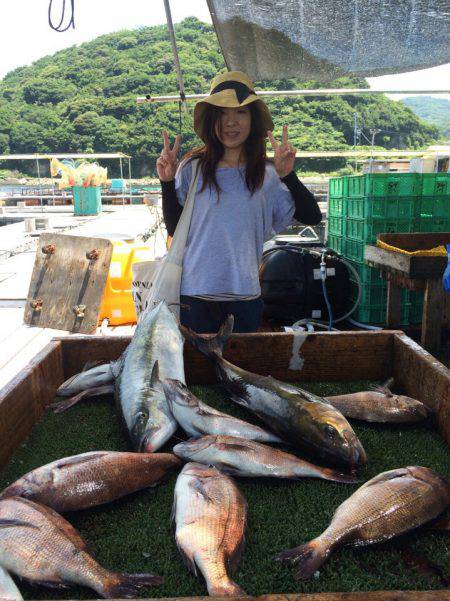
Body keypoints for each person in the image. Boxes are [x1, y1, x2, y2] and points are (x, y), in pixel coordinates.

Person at [157, 70, 322, 334]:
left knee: (239, 372)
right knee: (197, 373)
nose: (230, 122)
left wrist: (288, 175)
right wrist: (166, 183)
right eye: (222, 113)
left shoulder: (267, 174)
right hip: (194, 296)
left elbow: (312, 216)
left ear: (253, 119)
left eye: (240, 112)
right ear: (211, 119)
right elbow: (176, 229)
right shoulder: (192, 168)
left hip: (245, 297)